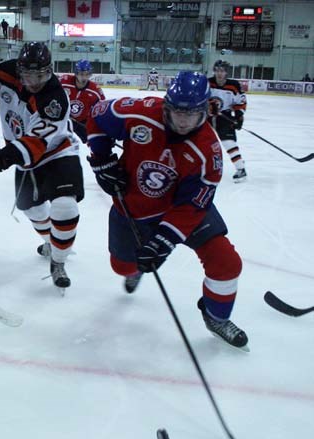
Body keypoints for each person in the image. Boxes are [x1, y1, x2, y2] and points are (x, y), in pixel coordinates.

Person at [86, 71, 248, 349]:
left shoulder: (209, 152)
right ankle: (134, 270)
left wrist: (164, 240)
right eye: (177, 113)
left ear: (205, 111)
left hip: (182, 209)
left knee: (227, 262)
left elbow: (194, 205)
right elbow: (97, 115)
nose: (183, 122)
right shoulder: (142, 112)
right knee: (121, 266)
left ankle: (216, 317)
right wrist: (101, 160)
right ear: (166, 106)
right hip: (134, 208)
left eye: (192, 115)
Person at [0, 42, 84, 290]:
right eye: (28, 75)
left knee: (64, 207)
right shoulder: (9, 70)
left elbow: (34, 146)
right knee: (32, 210)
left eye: (41, 75)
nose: (34, 81)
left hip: (57, 152)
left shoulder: (54, 99)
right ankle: (51, 241)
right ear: (19, 69)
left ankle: (58, 261)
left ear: (50, 71)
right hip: (22, 155)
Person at [208, 60, 248, 182]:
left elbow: (241, 102)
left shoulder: (234, 85)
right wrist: (208, 106)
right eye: (217, 70)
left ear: (226, 72)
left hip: (224, 116)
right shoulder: (207, 83)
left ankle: (241, 169)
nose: (220, 73)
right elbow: (198, 98)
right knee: (202, 141)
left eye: (222, 71)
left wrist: (238, 117)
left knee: (228, 142)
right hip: (207, 117)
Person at [58, 59, 105, 143]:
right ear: (76, 73)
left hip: (82, 123)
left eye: (87, 74)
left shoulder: (95, 90)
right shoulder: (64, 81)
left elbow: (102, 110)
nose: (84, 77)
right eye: (81, 74)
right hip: (63, 120)